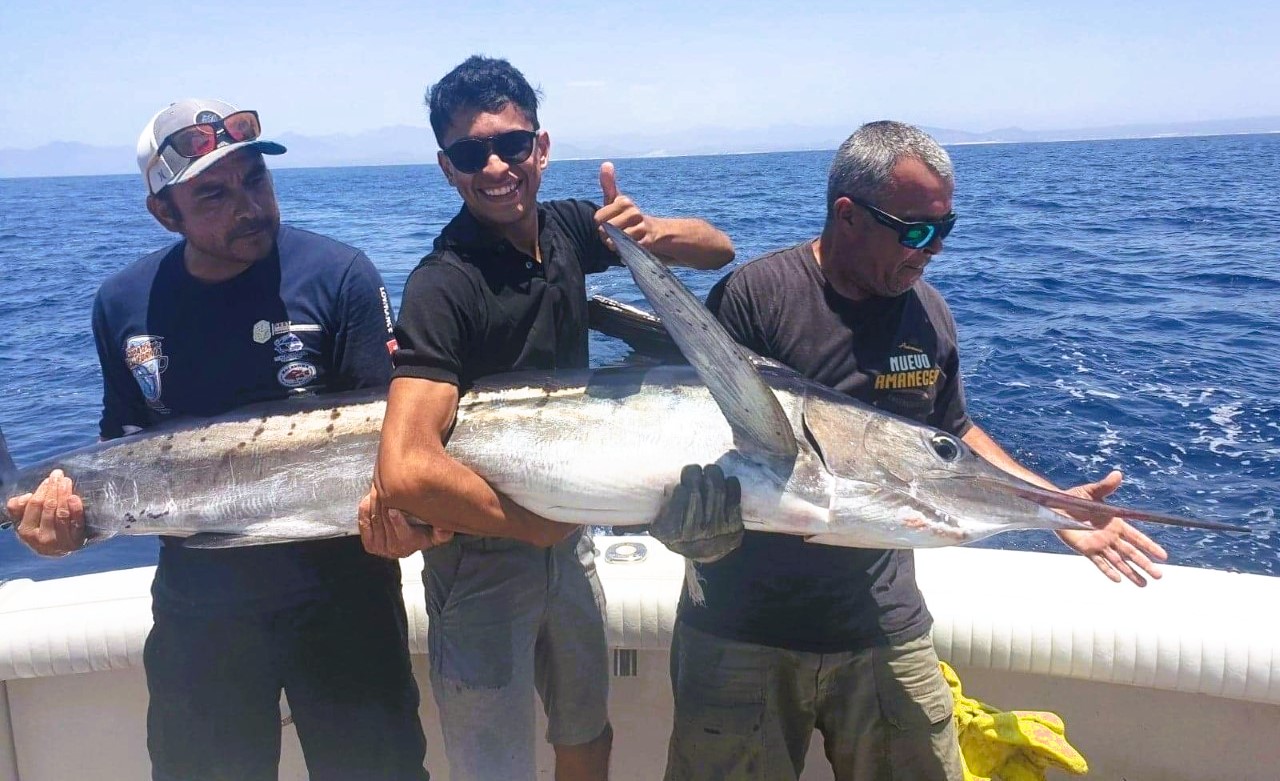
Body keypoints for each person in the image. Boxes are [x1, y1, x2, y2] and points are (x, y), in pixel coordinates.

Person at [663, 120, 1171, 781]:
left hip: (879, 620)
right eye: (916, 230)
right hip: (740, 624)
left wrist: (1054, 508)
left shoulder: (926, 312)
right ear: (848, 215)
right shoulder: (756, 297)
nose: (932, 249)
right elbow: (688, 434)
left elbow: (952, 432)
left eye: (945, 228)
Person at [4, 99, 429, 781]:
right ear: (163, 212)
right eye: (213, 193)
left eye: (255, 180)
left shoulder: (342, 275)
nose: (248, 205)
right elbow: (121, 446)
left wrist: (415, 519)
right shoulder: (122, 302)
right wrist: (65, 527)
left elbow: (395, 446)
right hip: (200, 618)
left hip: (346, 603)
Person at [356, 56, 737, 781]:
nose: (496, 166)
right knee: (494, 765)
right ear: (447, 168)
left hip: (569, 540)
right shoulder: (444, 283)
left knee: (587, 733)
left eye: (513, 145)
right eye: (472, 154)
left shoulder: (566, 228)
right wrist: (531, 524)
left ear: (542, 147)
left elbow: (719, 249)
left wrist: (645, 232)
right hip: (481, 556)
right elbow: (404, 465)